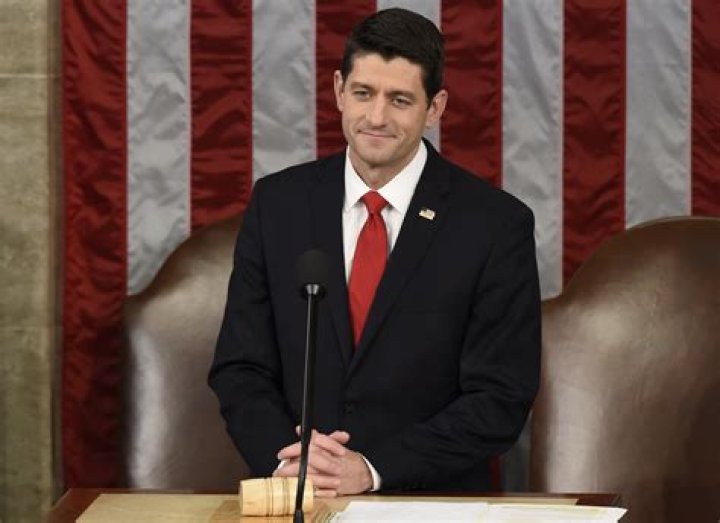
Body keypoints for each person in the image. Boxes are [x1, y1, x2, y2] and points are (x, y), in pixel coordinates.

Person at [209, 7, 540, 497]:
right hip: (299, 496)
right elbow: (241, 367)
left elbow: (500, 397)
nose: (377, 117)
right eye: (363, 93)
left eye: (400, 100)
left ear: (435, 108)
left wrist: (372, 468)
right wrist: (294, 463)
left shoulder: (494, 225)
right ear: (339, 90)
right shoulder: (277, 204)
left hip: (431, 503)